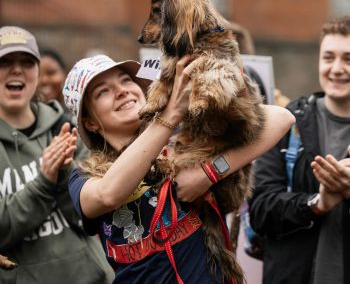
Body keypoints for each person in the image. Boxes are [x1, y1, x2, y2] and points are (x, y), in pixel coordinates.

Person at [64, 53, 295, 284]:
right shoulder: (84, 175)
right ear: (90, 122)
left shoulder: (185, 140)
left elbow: (280, 118)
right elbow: (107, 195)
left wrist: (209, 172)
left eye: (125, 80)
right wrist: (170, 115)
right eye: (102, 91)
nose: (122, 90)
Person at [0, 26, 114, 284]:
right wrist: (43, 180)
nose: (16, 69)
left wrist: (64, 174)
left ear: (37, 73)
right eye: (5, 61)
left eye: (27, 62)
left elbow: (91, 218)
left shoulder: (66, 129)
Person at [249, 15, 350, 284]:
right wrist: (317, 203)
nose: (337, 68)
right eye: (329, 57)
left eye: (348, 59)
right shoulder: (287, 121)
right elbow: (260, 210)